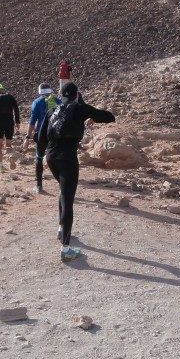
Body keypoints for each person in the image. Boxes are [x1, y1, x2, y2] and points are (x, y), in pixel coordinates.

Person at [37, 82, 115, 262]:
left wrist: (40, 158)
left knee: (63, 193)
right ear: (76, 95)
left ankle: (60, 228)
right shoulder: (80, 108)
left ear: (61, 95)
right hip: (67, 159)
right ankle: (66, 249)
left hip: (51, 157)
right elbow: (109, 117)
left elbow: (40, 138)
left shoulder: (52, 111)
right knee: (68, 200)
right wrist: (91, 117)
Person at [21, 83, 61, 193]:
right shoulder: (58, 101)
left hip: (41, 134)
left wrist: (27, 137)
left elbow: (32, 121)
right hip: (56, 134)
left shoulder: (37, 102)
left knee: (39, 158)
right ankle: (62, 184)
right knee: (57, 159)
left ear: (39, 92)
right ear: (50, 91)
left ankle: (39, 186)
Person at [0, 83, 20, 172]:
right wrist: (17, 122)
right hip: (10, 122)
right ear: (3, 89)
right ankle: (11, 155)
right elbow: (16, 109)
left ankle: (1, 166)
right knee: (8, 145)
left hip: (0, 122)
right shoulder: (10, 97)